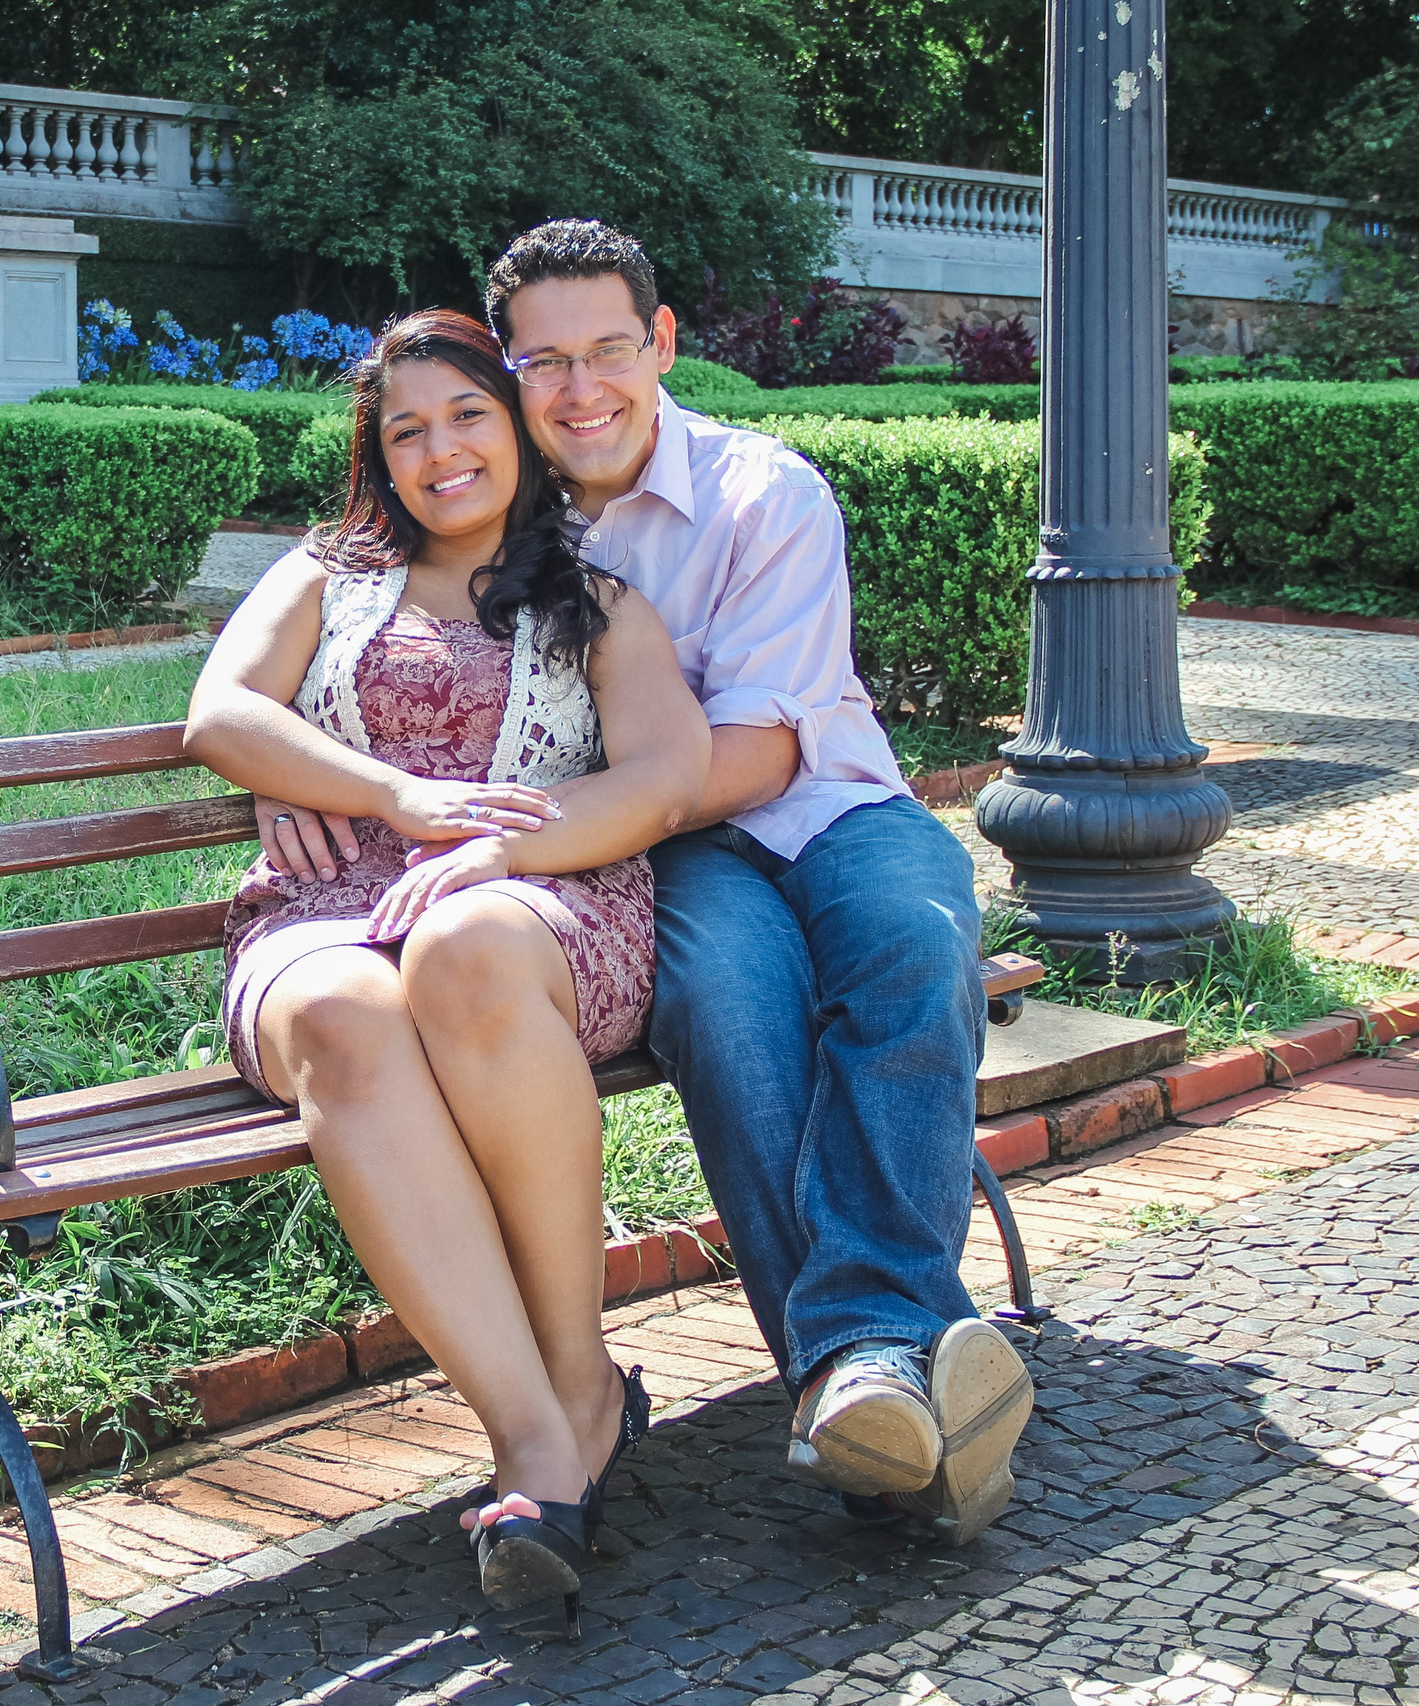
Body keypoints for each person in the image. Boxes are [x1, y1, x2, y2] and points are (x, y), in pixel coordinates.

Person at [255, 224, 1035, 1548]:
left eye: (609, 350)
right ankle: (881, 1382)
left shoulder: (761, 493)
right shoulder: (498, 506)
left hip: (826, 806)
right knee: (729, 1001)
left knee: (911, 944)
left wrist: (512, 829)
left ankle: (867, 1348)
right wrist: (308, 767)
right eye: (544, 361)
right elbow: (364, 663)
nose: (580, 389)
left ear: (660, 345)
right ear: (510, 372)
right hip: (659, 857)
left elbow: (765, 748)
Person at [184, 309, 709, 1622]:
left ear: (518, 429)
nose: (441, 449)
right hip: (329, 911)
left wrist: (498, 855)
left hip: (538, 907)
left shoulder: (595, 600)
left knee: (463, 948)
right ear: (379, 454)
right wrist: (376, 791)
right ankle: (544, 1428)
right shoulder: (326, 574)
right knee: (354, 1014)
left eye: (468, 414)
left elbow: (662, 774)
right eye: (406, 429)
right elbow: (221, 711)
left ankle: (580, 1384)